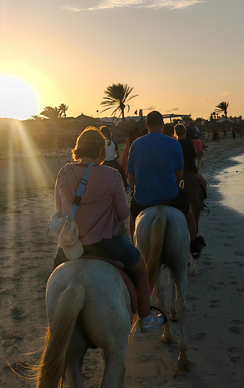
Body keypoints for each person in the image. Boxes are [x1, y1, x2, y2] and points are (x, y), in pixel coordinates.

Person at [53, 127, 165, 332]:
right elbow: (123, 213)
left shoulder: (64, 172)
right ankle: (147, 317)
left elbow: (59, 211)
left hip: (73, 245)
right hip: (107, 242)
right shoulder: (112, 175)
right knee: (140, 268)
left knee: (55, 276)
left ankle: (54, 321)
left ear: (78, 150)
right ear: (101, 152)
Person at [126, 111, 205, 259]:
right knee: (188, 212)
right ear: (162, 124)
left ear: (146, 124)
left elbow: (131, 178)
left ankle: (134, 246)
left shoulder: (136, 144)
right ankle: (194, 243)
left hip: (143, 198)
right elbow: (180, 175)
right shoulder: (173, 143)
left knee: (132, 216)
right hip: (170, 196)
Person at [173, 123, 208, 200]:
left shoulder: (174, 143)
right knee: (204, 184)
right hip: (191, 169)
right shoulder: (189, 142)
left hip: (177, 171)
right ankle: (202, 204)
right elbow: (193, 155)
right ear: (184, 132)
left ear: (175, 133)